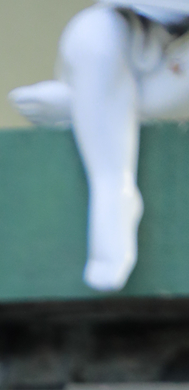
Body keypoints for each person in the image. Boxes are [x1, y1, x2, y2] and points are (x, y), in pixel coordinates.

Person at [11, 3, 189, 290]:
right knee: (92, 33)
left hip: (173, 58)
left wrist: (78, 103)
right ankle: (114, 193)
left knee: (102, 72)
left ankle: (82, 105)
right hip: (137, 25)